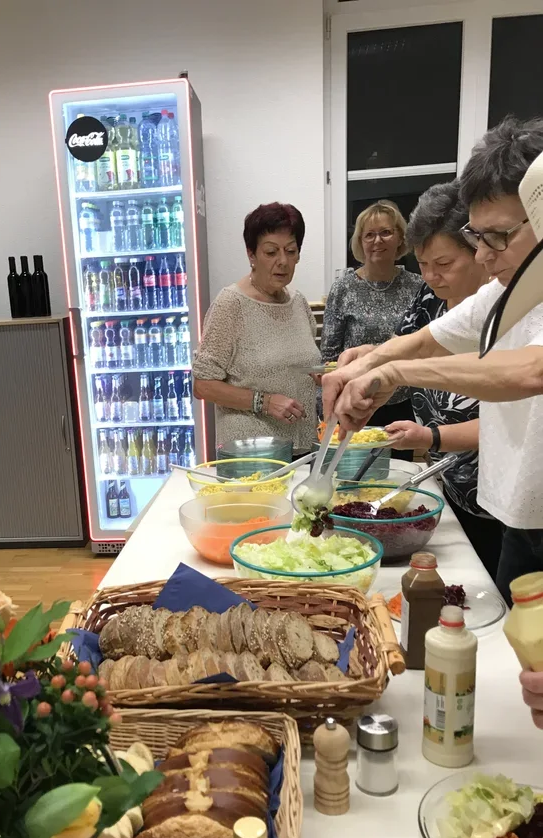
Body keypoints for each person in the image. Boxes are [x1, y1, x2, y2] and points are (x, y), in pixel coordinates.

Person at [321, 116, 543, 606]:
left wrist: (393, 373)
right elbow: (425, 339)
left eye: (499, 236)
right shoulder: (512, 288)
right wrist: (359, 367)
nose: (484, 256)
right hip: (518, 517)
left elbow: (531, 371)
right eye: (477, 235)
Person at [384, 180, 503, 578]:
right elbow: (406, 347)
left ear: (481, 252)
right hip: (448, 488)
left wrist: (432, 438)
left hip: (499, 501)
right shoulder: (429, 300)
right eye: (422, 264)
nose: (432, 276)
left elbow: (509, 421)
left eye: (445, 263)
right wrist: (366, 364)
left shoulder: (504, 312)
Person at [193, 202, 319, 455]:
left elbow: (299, 365)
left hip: (303, 448)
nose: (283, 261)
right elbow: (202, 385)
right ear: (252, 255)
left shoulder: (299, 303)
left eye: (291, 251)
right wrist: (265, 402)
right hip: (252, 455)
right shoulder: (231, 305)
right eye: (271, 252)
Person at [320, 200, 422, 433]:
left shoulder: (418, 286)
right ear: (360, 242)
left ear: (400, 238)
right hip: (354, 400)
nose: (378, 241)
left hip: (403, 401)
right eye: (369, 235)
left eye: (386, 232)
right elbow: (329, 356)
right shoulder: (343, 288)